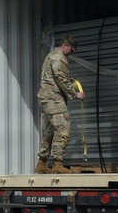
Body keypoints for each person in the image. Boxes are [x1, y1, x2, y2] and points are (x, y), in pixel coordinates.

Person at [36, 34, 85, 174]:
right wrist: (75, 94)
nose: (72, 53)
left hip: (46, 99)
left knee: (48, 131)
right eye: (72, 50)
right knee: (63, 127)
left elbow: (55, 77)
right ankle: (57, 163)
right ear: (65, 46)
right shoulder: (59, 57)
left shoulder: (51, 56)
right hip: (54, 99)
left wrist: (67, 81)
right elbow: (59, 78)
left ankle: (42, 163)